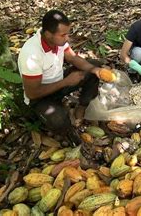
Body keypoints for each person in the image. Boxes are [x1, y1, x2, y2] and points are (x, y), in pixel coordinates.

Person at [18, 10, 109, 145]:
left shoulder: (56, 41)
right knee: (59, 120)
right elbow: (32, 93)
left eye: (67, 34)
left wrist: (94, 69)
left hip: (60, 83)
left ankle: (81, 108)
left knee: (93, 66)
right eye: (63, 35)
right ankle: (70, 135)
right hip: (40, 97)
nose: (67, 38)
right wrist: (66, 82)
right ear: (48, 34)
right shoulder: (31, 54)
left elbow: (72, 57)